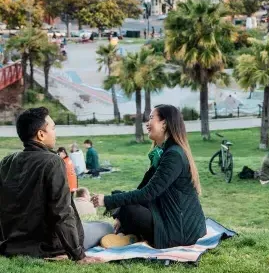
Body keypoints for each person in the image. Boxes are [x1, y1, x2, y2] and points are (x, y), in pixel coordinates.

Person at [0, 107, 111, 262]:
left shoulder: (7, 161)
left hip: (13, 244)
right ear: (41, 134)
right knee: (106, 227)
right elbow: (61, 212)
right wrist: (78, 255)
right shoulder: (52, 161)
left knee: (90, 224)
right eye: (53, 128)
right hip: (48, 246)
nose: (55, 133)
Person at [93, 105, 206, 249]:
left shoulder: (174, 155)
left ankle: (130, 236)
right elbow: (143, 189)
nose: (147, 123)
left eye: (152, 118)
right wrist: (121, 214)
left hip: (180, 231)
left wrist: (107, 201)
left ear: (164, 124)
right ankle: (129, 235)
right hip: (168, 218)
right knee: (123, 200)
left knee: (128, 206)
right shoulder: (163, 152)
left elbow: (148, 193)